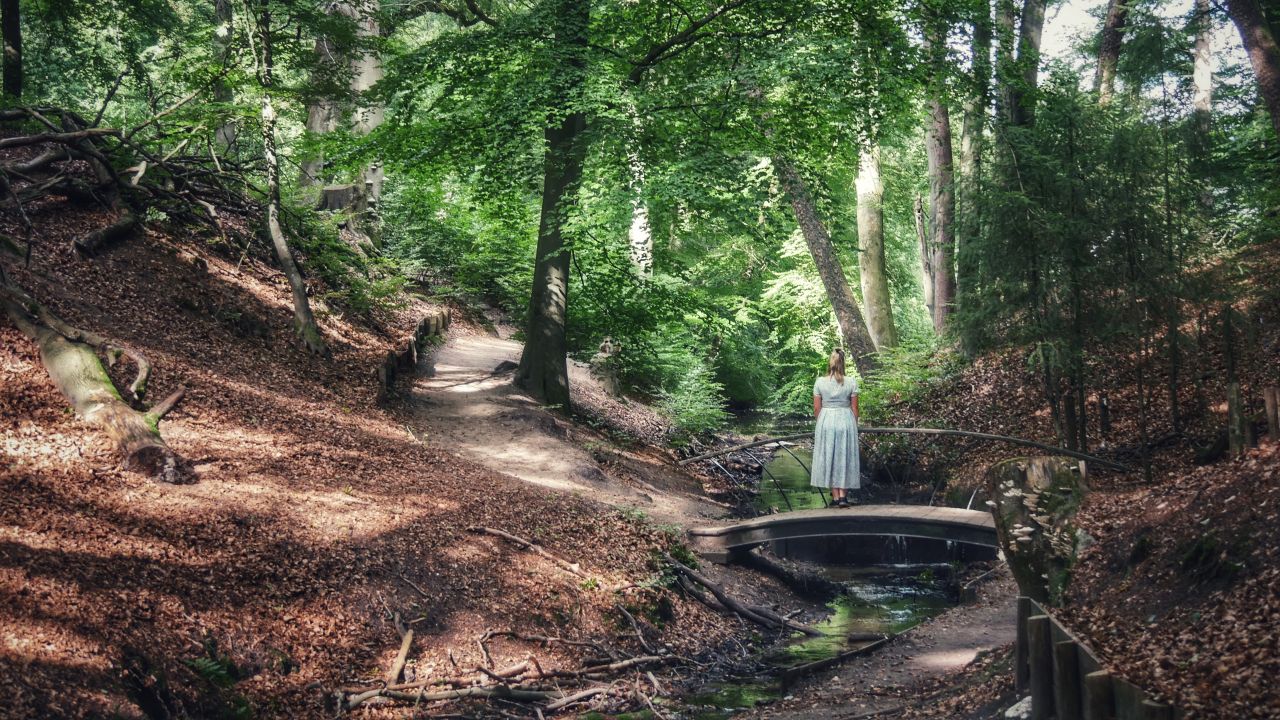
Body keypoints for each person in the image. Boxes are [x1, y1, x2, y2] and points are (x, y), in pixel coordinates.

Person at [810, 348, 860, 507]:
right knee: (844, 457)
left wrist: (822, 422)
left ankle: (836, 496)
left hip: (826, 420)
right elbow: (855, 408)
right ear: (843, 363)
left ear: (830, 362)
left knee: (829, 457)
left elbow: (816, 408)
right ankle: (843, 497)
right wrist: (854, 424)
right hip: (845, 420)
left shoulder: (820, 382)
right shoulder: (851, 382)